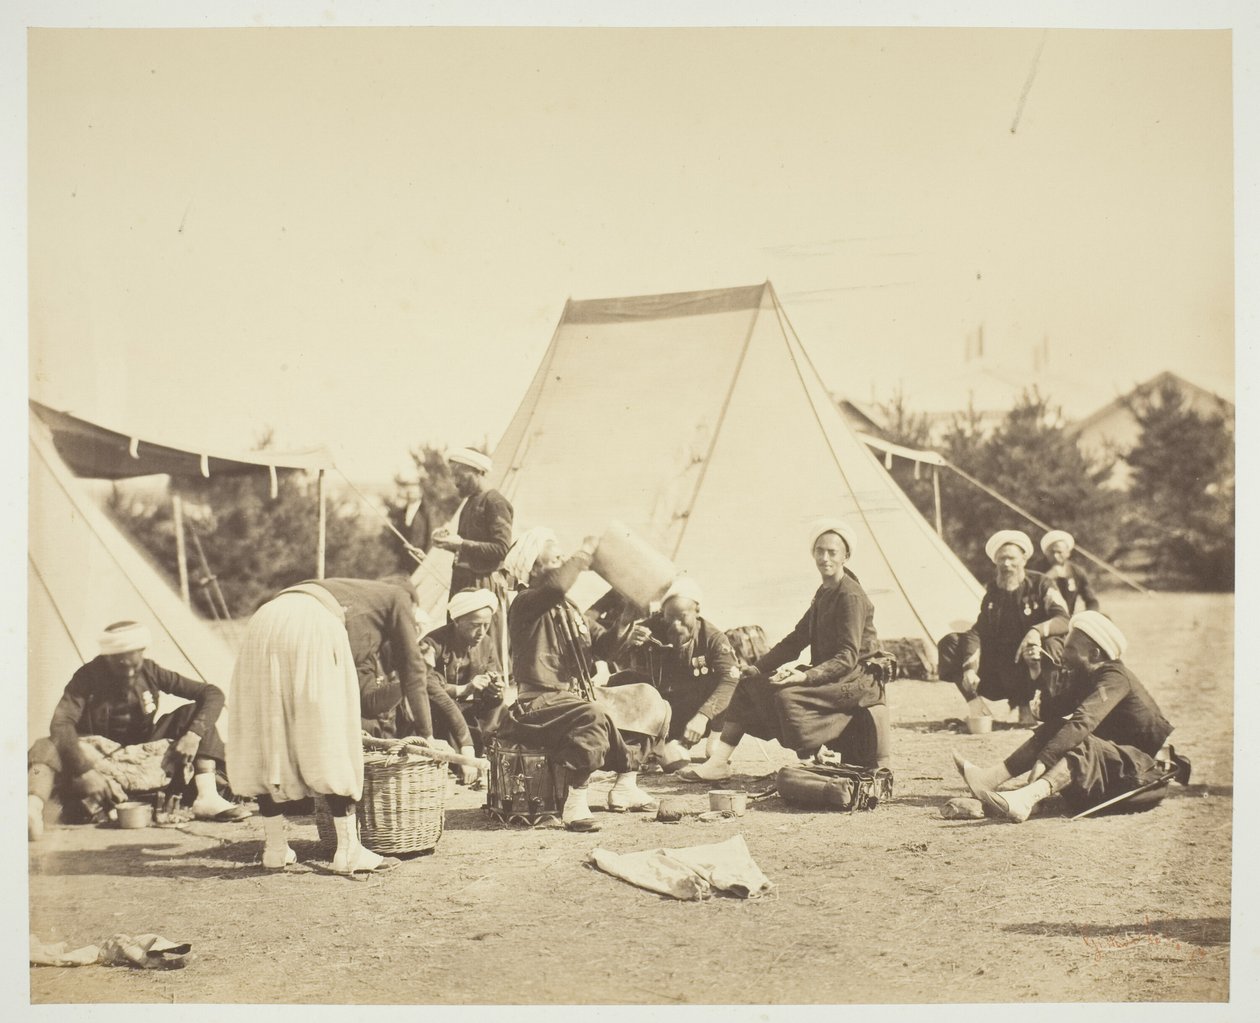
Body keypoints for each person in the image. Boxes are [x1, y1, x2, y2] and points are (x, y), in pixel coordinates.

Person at [228, 577, 436, 874]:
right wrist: (427, 735)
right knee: (331, 732)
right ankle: (349, 851)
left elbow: (368, 700)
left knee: (269, 730)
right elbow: (413, 669)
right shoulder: (399, 597)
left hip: (264, 620)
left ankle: (275, 848)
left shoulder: (356, 605)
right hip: (312, 623)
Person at [680, 518, 890, 782]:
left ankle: (814, 758)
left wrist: (805, 676)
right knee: (748, 686)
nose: (825, 558)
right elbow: (796, 640)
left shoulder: (850, 596)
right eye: (820, 551)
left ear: (845, 556)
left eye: (832, 552)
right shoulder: (824, 592)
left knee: (786, 697)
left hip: (857, 678)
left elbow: (847, 656)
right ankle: (719, 762)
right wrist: (757, 668)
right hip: (831, 673)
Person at [497, 527, 669, 832]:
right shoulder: (525, 602)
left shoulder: (569, 609)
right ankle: (575, 804)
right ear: (533, 568)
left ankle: (626, 785)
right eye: (554, 554)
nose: (562, 556)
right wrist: (584, 552)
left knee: (648, 699)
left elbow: (602, 649)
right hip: (539, 700)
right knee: (592, 714)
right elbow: (555, 588)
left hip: (576, 696)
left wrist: (625, 619)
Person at [27, 620, 249, 841]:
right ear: (108, 658)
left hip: (144, 751)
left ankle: (207, 796)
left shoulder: (150, 671)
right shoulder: (86, 677)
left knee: (192, 714)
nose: (131, 673)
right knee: (46, 745)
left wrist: (193, 734)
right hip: (100, 758)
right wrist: (85, 770)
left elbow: (212, 693)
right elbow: (61, 723)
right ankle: (32, 809)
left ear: (142, 652)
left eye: (135, 665)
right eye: (123, 666)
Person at [952, 610, 1175, 822]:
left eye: (1070, 649)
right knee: (1058, 728)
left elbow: (1083, 721)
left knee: (1083, 741)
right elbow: (1050, 712)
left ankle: (1027, 798)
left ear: (1095, 654)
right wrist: (1036, 670)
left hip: (1141, 775)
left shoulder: (1115, 677)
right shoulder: (1086, 674)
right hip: (1110, 765)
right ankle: (989, 779)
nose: (1063, 654)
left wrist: (1046, 759)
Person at [937, 529, 1070, 727]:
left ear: (1024, 559)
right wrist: (970, 668)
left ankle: (1040, 708)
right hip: (1002, 669)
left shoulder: (1042, 584)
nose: (1006, 564)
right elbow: (978, 631)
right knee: (951, 642)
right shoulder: (993, 591)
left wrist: (1036, 631)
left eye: (1011, 558)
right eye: (1001, 559)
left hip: (1034, 663)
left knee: (1051, 645)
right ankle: (977, 708)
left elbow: (1063, 619)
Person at [615, 576, 739, 771]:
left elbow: (730, 679)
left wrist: (703, 717)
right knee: (620, 680)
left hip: (698, 709)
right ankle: (648, 745)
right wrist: (627, 641)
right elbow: (615, 660)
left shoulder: (713, 638)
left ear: (697, 611)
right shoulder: (649, 629)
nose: (675, 625)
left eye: (682, 617)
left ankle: (715, 738)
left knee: (726, 682)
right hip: (664, 706)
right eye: (669, 617)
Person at [422, 587, 508, 757]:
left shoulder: (487, 644)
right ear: (456, 621)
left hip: (470, 707)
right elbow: (424, 684)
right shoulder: (433, 643)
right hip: (441, 707)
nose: (481, 632)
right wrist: (464, 689)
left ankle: (492, 755)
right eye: (475, 625)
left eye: (486, 625)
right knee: (449, 711)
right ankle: (462, 761)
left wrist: (494, 688)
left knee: (501, 709)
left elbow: (493, 674)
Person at [1039, 530, 1100, 614]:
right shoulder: (1037, 569)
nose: (1055, 556)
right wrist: (1048, 577)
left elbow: (1092, 601)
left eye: (1059, 552)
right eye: (1052, 552)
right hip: (1042, 619)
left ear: (1068, 553)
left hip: (1067, 617)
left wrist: (1087, 616)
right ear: (1046, 553)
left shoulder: (1076, 572)